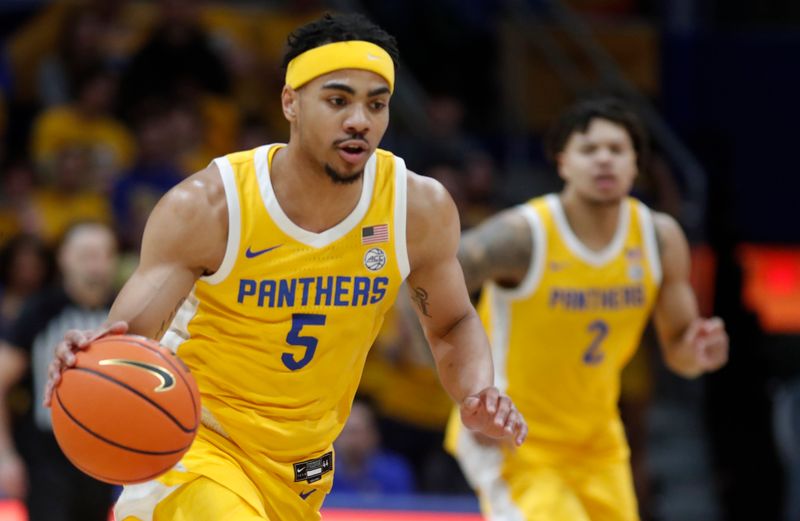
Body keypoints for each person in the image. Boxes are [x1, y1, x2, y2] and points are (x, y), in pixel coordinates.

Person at [43, 13, 527, 521]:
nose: (360, 120)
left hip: (302, 471)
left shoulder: (416, 209)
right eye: (338, 101)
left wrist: (477, 391)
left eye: (376, 104)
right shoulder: (212, 207)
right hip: (197, 449)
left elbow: (450, 321)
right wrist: (89, 354)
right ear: (290, 102)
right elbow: (132, 337)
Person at [444, 97, 729, 521]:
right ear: (563, 163)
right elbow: (428, 282)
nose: (604, 160)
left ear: (636, 165)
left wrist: (700, 352)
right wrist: (468, 393)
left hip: (598, 443)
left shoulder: (659, 239)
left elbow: (680, 356)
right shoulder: (521, 236)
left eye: (617, 150)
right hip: (514, 436)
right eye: (589, 149)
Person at [0, 222, 118, 521]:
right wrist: (5, 456)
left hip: (109, 452)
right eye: (86, 255)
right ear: (64, 258)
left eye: (103, 255)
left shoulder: (125, 312)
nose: (96, 265)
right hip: (47, 457)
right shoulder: (40, 310)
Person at [330, 398, 415, 495]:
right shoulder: (321, 470)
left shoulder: (396, 472)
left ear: (373, 435)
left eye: (357, 432)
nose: (352, 440)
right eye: (346, 432)